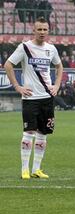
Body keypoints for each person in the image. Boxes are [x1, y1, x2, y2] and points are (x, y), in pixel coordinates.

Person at [4, 17, 63, 179]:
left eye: (45, 29)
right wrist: (18, 87)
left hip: (47, 97)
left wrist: (57, 86)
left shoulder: (51, 49)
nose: (42, 32)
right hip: (30, 98)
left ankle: (36, 169)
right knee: (29, 132)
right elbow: (8, 65)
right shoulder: (24, 47)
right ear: (33, 30)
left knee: (43, 133)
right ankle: (24, 169)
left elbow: (59, 66)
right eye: (39, 29)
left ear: (48, 31)